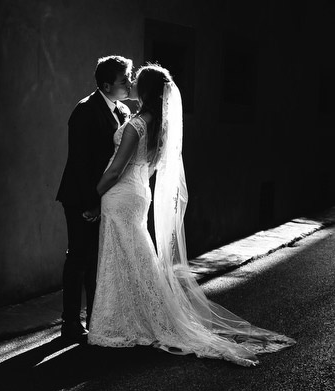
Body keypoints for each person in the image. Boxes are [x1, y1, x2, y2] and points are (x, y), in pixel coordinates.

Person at [84, 64, 295, 366]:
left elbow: (116, 169)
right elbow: (148, 165)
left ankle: (122, 321)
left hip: (121, 195)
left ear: (144, 91)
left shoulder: (136, 126)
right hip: (140, 193)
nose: (130, 85)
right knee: (135, 254)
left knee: (121, 255)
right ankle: (136, 315)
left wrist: (94, 196)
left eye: (136, 83)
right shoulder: (159, 125)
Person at [56, 55, 133, 341]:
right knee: (78, 257)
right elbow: (80, 161)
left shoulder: (123, 110)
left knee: (97, 260)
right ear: (106, 84)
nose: (129, 83)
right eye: (124, 79)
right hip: (80, 196)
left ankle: (96, 318)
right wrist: (91, 201)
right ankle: (70, 323)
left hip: (106, 198)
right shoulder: (85, 110)